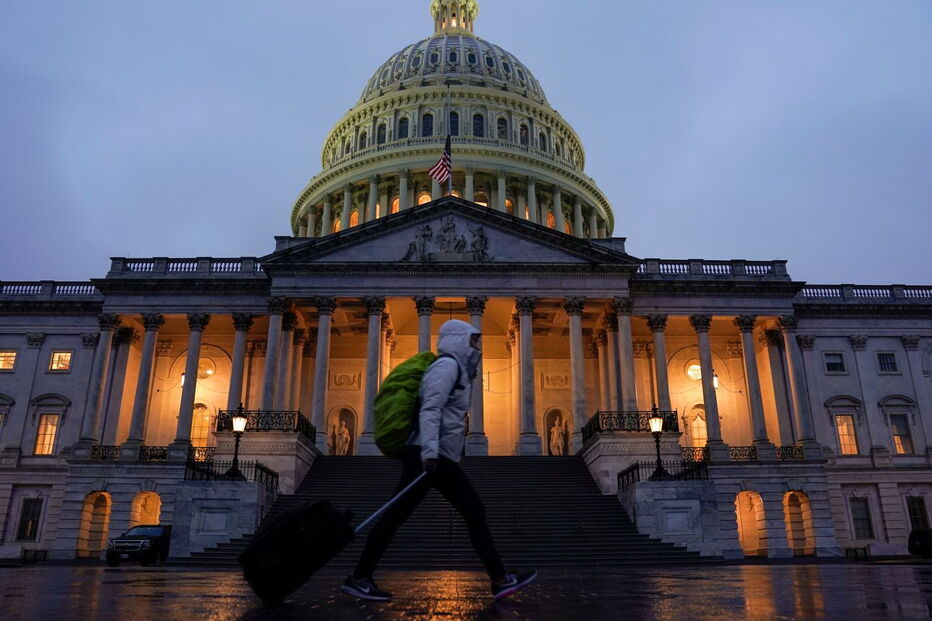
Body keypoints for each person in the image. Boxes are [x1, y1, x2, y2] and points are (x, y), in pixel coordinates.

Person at [341, 319, 537, 602]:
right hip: (429, 454)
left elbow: (447, 416)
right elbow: (430, 409)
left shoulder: (457, 370)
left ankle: (499, 579)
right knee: (464, 511)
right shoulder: (446, 367)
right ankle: (360, 577)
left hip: (436, 454)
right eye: (472, 340)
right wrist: (430, 453)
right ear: (458, 340)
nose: (476, 346)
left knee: (456, 512)